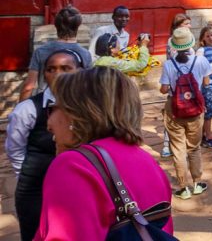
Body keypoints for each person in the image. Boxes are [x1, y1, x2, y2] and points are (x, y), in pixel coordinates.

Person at [35, 67, 173, 240]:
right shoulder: (147, 160)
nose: (48, 123)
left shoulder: (72, 165)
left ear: (76, 114)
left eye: (53, 108)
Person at [6, 49, 85, 241]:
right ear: (44, 74)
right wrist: (26, 174)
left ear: (80, 71)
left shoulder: (89, 107)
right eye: (51, 69)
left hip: (78, 185)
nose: (58, 74)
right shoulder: (28, 109)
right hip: (35, 188)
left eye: (66, 68)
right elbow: (15, 148)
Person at [159, 27, 212, 200]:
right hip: (195, 110)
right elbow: (206, 82)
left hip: (174, 109)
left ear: (174, 46)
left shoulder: (168, 64)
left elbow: (164, 89)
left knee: (178, 149)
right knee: (194, 147)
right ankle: (197, 183)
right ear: (191, 43)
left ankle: (183, 187)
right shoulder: (200, 60)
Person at [18, 6, 93, 101]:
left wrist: (21, 109)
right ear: (78, 26)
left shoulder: (41, 51)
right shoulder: (85, 54)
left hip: (45, 105)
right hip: (74, 105)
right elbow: (88, 86)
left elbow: (28, 87)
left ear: (56, 25)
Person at [160, 14, 193, 158]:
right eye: (186, 24)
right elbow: (176, 60)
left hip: (187, 84)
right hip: (176, 83)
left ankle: (182, 145)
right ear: (179, 26)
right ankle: (167, 145)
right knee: (171, 116)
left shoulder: (189, 38)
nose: (189, 26)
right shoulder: (172, 41)